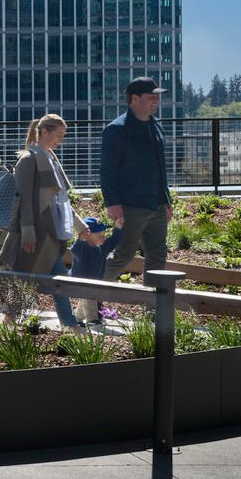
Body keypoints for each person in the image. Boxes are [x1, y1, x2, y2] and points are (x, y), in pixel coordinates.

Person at [0, 114, 80, 325]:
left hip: (48, 233)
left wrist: (82, 227)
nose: (60, 140)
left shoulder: (51, 159)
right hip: (33, 235)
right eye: (58, 135)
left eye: (63, 135)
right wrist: (28, 231)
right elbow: (23, 199)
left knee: (57, 283)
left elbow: (61, 201)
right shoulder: (28, 159)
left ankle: (69, 325)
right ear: (44, 132)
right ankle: (10, 321)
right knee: (24, 280)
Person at [102, 77, 172, 282]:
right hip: (131, 205)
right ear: (134, 98)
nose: (156, 101)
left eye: (157, 97)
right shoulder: (116, 129)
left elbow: (160, 167)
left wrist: (166, 200)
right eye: (151, 97)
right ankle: (88, 299)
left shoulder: (156, 126)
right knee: (123, 254)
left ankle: (153, 309)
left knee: (158, 256)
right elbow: (108, 170)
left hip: (157, 205)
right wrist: (112, 203)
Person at [68, 216, 115, 325]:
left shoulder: (98, 248)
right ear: (88, 236)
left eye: (104, 235)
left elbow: (112, 241)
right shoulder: (82, 247)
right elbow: (75, 251)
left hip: (91, 280)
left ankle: (77, 318)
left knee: (85, 299)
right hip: (79, 280)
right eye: (100, 236)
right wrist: (80, 239)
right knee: (89, 296)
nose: (104, 238)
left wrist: (118, 228)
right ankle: (92, 319)